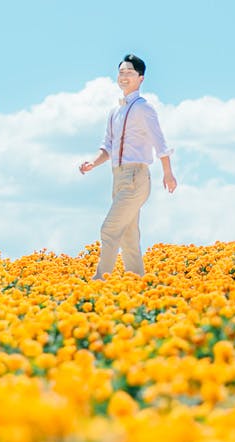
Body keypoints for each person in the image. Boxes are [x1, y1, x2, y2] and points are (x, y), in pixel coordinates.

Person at [79, 54, 177, 280]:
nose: (124, 76)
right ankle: (137, 283)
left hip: (136, 176)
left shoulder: (144, 108)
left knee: (109, 229)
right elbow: (108, 146)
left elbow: (160, 142)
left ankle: (99, 282)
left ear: (141, 78)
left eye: (129, 72)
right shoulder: (115, 111)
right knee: (128, 235)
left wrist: (168, 173)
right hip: (118, 177)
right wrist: (93, 163)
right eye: (121, 72)